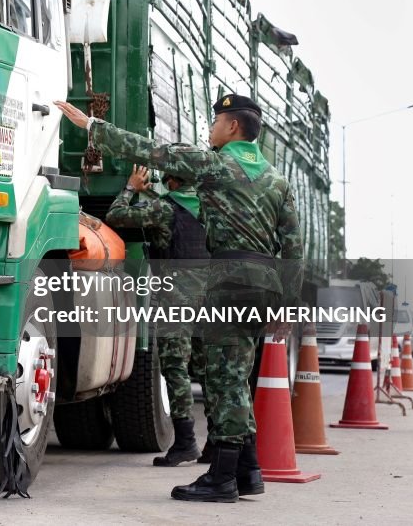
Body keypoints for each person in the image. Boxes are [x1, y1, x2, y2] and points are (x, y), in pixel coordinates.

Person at [55, 94, 303, 503]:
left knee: (225, 383)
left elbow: (151, 151)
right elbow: (293, 246)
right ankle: (249, 470)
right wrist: (289, 303)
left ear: (233, 127)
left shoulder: (214, 165)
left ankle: (221, 478)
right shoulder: (278, 181)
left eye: (216, 120)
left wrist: (91, 126)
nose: (211, 128)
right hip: (265, 284)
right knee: (236, 377)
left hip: (229, 279)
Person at [105, 164, 210, 468]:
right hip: (211, 297)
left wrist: (131, 188)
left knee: (176, 368)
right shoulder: (211, 208)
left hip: (177, 296)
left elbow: (117, 215)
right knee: (208, 371)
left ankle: (186, 443)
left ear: (173, 180)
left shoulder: (164, 210)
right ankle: (216, 443)